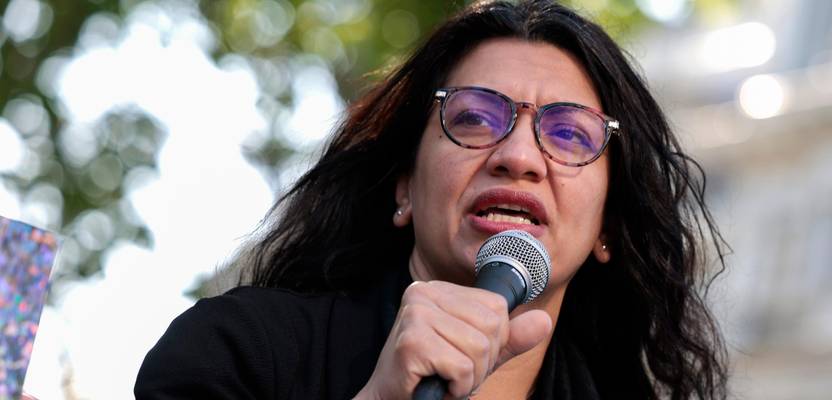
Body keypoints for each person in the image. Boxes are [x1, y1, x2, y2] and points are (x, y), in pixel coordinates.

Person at [135, 0, 729, 398]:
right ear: (403, 188)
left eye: (570, 134)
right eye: (473, 118)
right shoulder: (238, 351)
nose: (518, 156)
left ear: (608, 227)